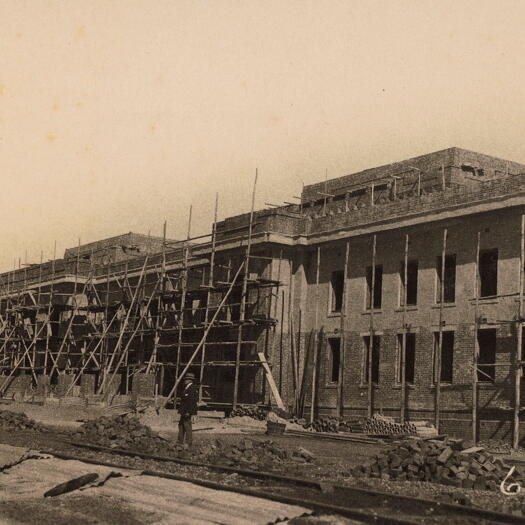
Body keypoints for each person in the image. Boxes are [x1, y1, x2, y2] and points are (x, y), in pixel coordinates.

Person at [177, 372, 198, 448]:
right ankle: (180, 441)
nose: (185, 380)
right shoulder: (186, 388)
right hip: (183, 411)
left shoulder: (192, 388)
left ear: (190, 380)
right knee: (181, 426)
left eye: (186, 379)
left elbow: (192, 402)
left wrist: (189, 412)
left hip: (187, 412)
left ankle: (188, 443)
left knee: (187, 426)